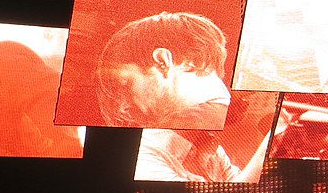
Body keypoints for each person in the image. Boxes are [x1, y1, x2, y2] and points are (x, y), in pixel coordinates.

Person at [94, 12, 233, 130]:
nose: (122, 108)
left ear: (162, 62)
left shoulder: (168, 139)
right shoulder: (229, 124)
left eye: (126, 85)